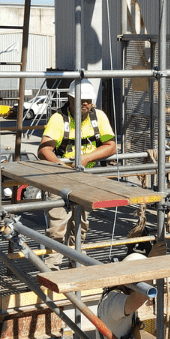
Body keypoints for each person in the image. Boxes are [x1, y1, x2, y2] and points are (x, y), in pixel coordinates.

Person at [37, 78, 117, 244]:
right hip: (59, 180)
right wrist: (62, 167)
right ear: (71, 98)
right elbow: (44, 150)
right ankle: (53, 268)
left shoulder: (98, 116)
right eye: (81, 100)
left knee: (80, 227)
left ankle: (75, 265)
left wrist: (86, 158)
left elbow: (111, 146)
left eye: (88, 101)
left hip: (86, 179)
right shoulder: (59, 119)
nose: (85, 104)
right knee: (56, 231)